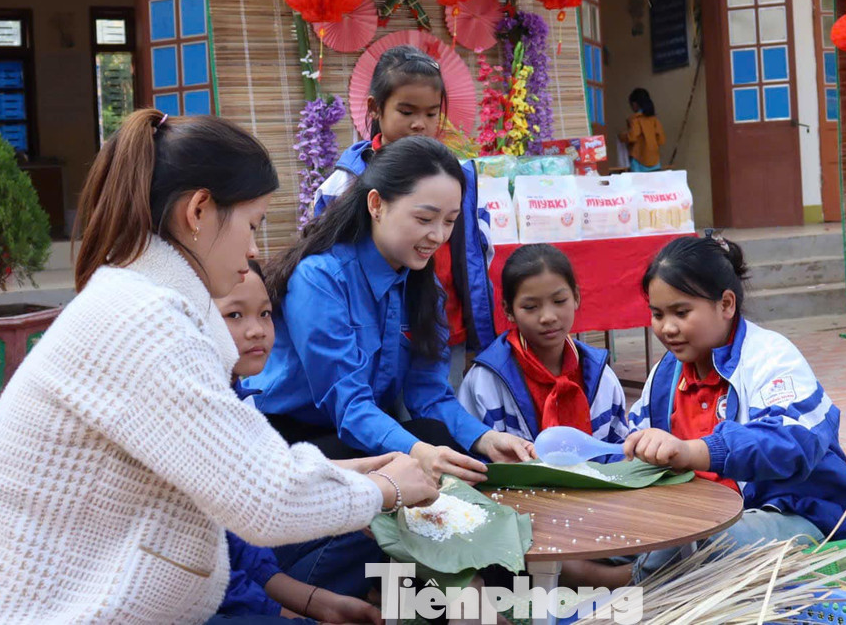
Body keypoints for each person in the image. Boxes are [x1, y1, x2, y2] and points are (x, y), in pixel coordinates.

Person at [0, 110, 436, 625]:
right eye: (251, 224)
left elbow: (233, 470)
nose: (254, 249)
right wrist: (386, 489)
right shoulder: (142, 322)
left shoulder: (145, 304)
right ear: (199, 212)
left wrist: (356, 474)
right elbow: (267, 500)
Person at [252, 135, 534, 471]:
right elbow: (349, 404)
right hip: (291, 437)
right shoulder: (320, 279)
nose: (438, 236)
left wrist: (486, 439)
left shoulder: (424, 285)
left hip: (357, 431)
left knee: (438, 437)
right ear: (376, 205)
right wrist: (417, 452)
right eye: (424, 219)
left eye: (449, 221)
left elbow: (428, 394)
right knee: (422, 456)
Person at [625, 234, 846, 581]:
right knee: (632, 526)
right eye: (657, 314)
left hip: (801, 517)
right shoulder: (665, 375)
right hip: (710, 516)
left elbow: (794, 443)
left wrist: (693, 451)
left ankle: (613, 583)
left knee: (696, 542)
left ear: (726, 304)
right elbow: (636, 439)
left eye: (681, 312)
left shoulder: (771, 357)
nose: (667, 328)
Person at [212, 261, 384, 625]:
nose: (257, 330)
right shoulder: (199, 411)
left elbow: (239, 549)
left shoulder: (239, 394)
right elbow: (216, 565)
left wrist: (317, 605)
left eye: (265, 314)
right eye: (235, 315)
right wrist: (297, 614)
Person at [313, 46, 495, 387]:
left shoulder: (459, 179)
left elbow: (476, 254)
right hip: (369, 333)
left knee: (437, 417)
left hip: (441, 327)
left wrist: (476, 329)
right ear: (375, 108)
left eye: (430, 114)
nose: (419, 124)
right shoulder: (346, 184)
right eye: (407, 111)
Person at [457, 244, 628, 453]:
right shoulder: (485, 382)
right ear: (508, 310)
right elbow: (473, 457)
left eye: (559, 301)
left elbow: (619, 452)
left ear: (576, 297)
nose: (548, 317)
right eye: (530, 307)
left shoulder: (602, 377)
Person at [621, 87, 665, 173]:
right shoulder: (654, 120)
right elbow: (661, 140)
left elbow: (632, 137)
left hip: (639, 161)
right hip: (655, 160)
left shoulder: (635, 120)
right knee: (655, 185)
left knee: (639, 185)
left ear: (635, 104)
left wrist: (622, 137)